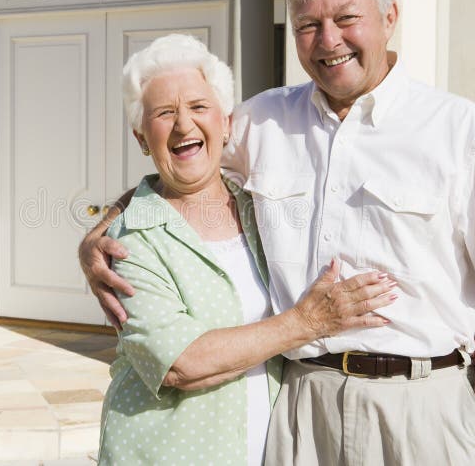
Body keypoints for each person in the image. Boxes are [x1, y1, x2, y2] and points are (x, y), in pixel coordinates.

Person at [82, 0, 475, 466]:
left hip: (421, 408)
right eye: (308, 24)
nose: (329, 40)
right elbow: (183, 161)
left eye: (346, 18)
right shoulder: (262, 121)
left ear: (389, 17)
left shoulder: (459, 130)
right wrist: (101, 232)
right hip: (300, 409)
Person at [97, 34, 397, 466]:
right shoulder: (131, 240)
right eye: (164, 114)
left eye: (199, 107)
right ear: (142, 138)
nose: (184, 125)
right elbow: (183, 363)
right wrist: (307, 322)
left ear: (226, 122)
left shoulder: (261, 211)